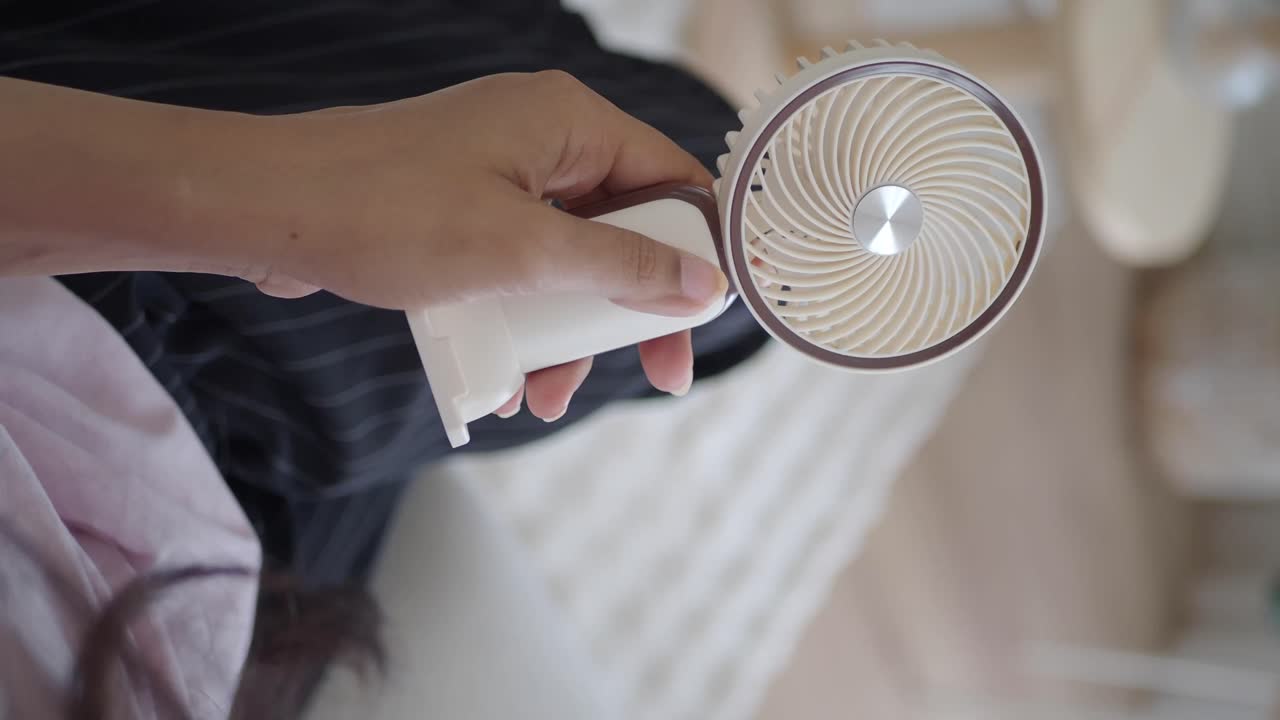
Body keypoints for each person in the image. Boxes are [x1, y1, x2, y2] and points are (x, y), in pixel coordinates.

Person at [0, 1, 770, 717]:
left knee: (631, 161)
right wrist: (294, 194)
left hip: (77, 332)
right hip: (206, 606)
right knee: (727, 208)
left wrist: (296, 198)